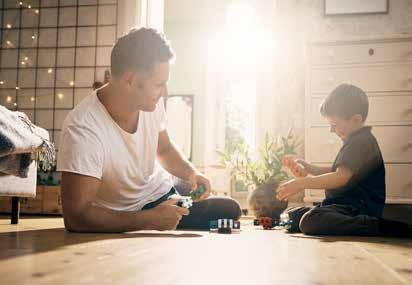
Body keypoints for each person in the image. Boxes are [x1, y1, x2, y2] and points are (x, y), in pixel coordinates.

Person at [57, 27, 241, 233]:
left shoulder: (150, 103)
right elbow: (76, 217)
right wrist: (149, 220)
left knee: (227, 208)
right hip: (127, 212)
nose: (165, 92)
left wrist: (191, 173)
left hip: (161, 191)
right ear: (131, 80)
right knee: (225, 211)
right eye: (159, 84)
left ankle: (176, 197)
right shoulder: (83, 128)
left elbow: (163, 149)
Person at [277, 83, 412, 236]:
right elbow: (339, 171)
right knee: (292, 215)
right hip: (341, 206)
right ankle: (320, 217)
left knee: (311, 220)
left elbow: (340, 177)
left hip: (357, 208)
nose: (331, 130)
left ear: (356, 120)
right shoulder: (355, 140)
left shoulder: (361, 142)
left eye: (334, 124)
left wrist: (301, 183)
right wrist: (309, 168)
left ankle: (374, 225)